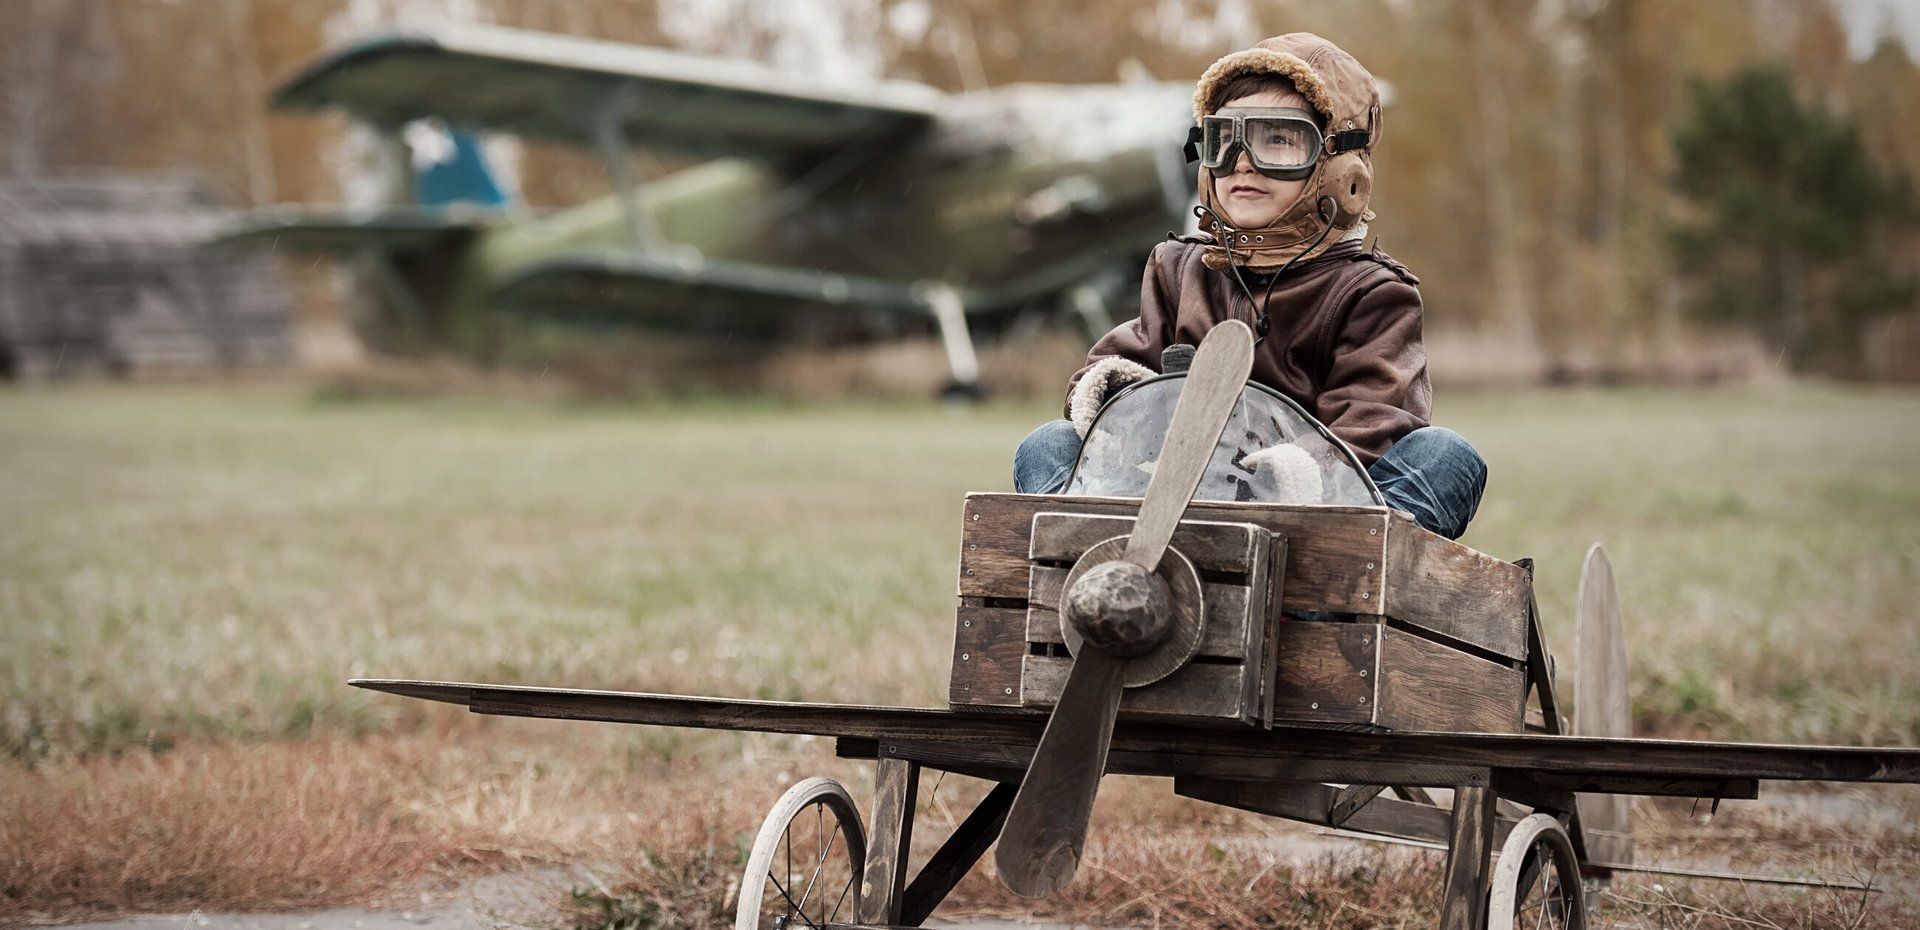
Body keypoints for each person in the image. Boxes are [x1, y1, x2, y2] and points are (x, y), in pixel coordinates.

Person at [1013, 33, 1486, 540]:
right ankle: (1099, 569)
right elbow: (1122, 365)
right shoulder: (1179, 268)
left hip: (1313, 517)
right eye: (1225, 139)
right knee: (1047, 445)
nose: (1242, 161)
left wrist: (1283, 471)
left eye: (1277, 140)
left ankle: (1338, 595)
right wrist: (1126, 396)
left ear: (1338, 168)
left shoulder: (1372, 292)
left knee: (1446, 456)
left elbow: (1374, 418)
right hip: (1182, 502)